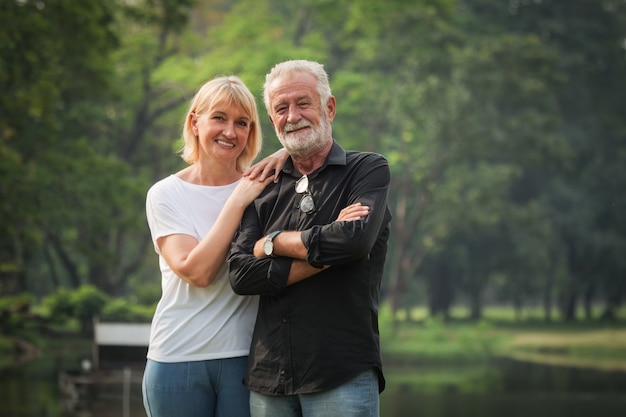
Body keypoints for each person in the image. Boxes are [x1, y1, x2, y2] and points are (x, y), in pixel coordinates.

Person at [228, 60, 392, 417]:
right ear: (272, 120)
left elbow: (354, 242)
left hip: (341, 371)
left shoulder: (366, 170)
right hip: (269, 378)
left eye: (303, 103)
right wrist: (327, 250)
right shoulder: (263, 188)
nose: (293, 116)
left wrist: (271, 242)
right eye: (281, 109)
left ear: (328, 107)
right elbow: (241, 274)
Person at [143, 75, 286, 417]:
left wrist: (289, 152)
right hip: (178, 359)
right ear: (195, 122)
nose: (230, 132)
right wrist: (236, 201)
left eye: (242, 123)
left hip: (247, 360)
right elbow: (197, 271)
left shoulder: (265, 188)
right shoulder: (166, 194)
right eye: (219, 118)